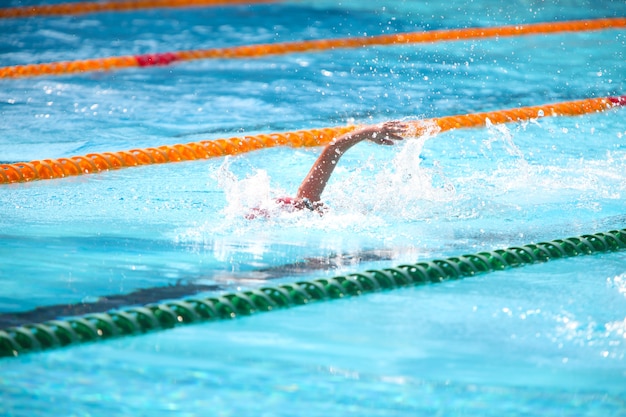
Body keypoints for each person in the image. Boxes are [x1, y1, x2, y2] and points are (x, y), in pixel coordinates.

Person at [246, 121, 408, 218]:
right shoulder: (312, 208)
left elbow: (332, 150)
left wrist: (366, 132)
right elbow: (332, 149)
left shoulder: (308, 204)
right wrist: (366, 132)